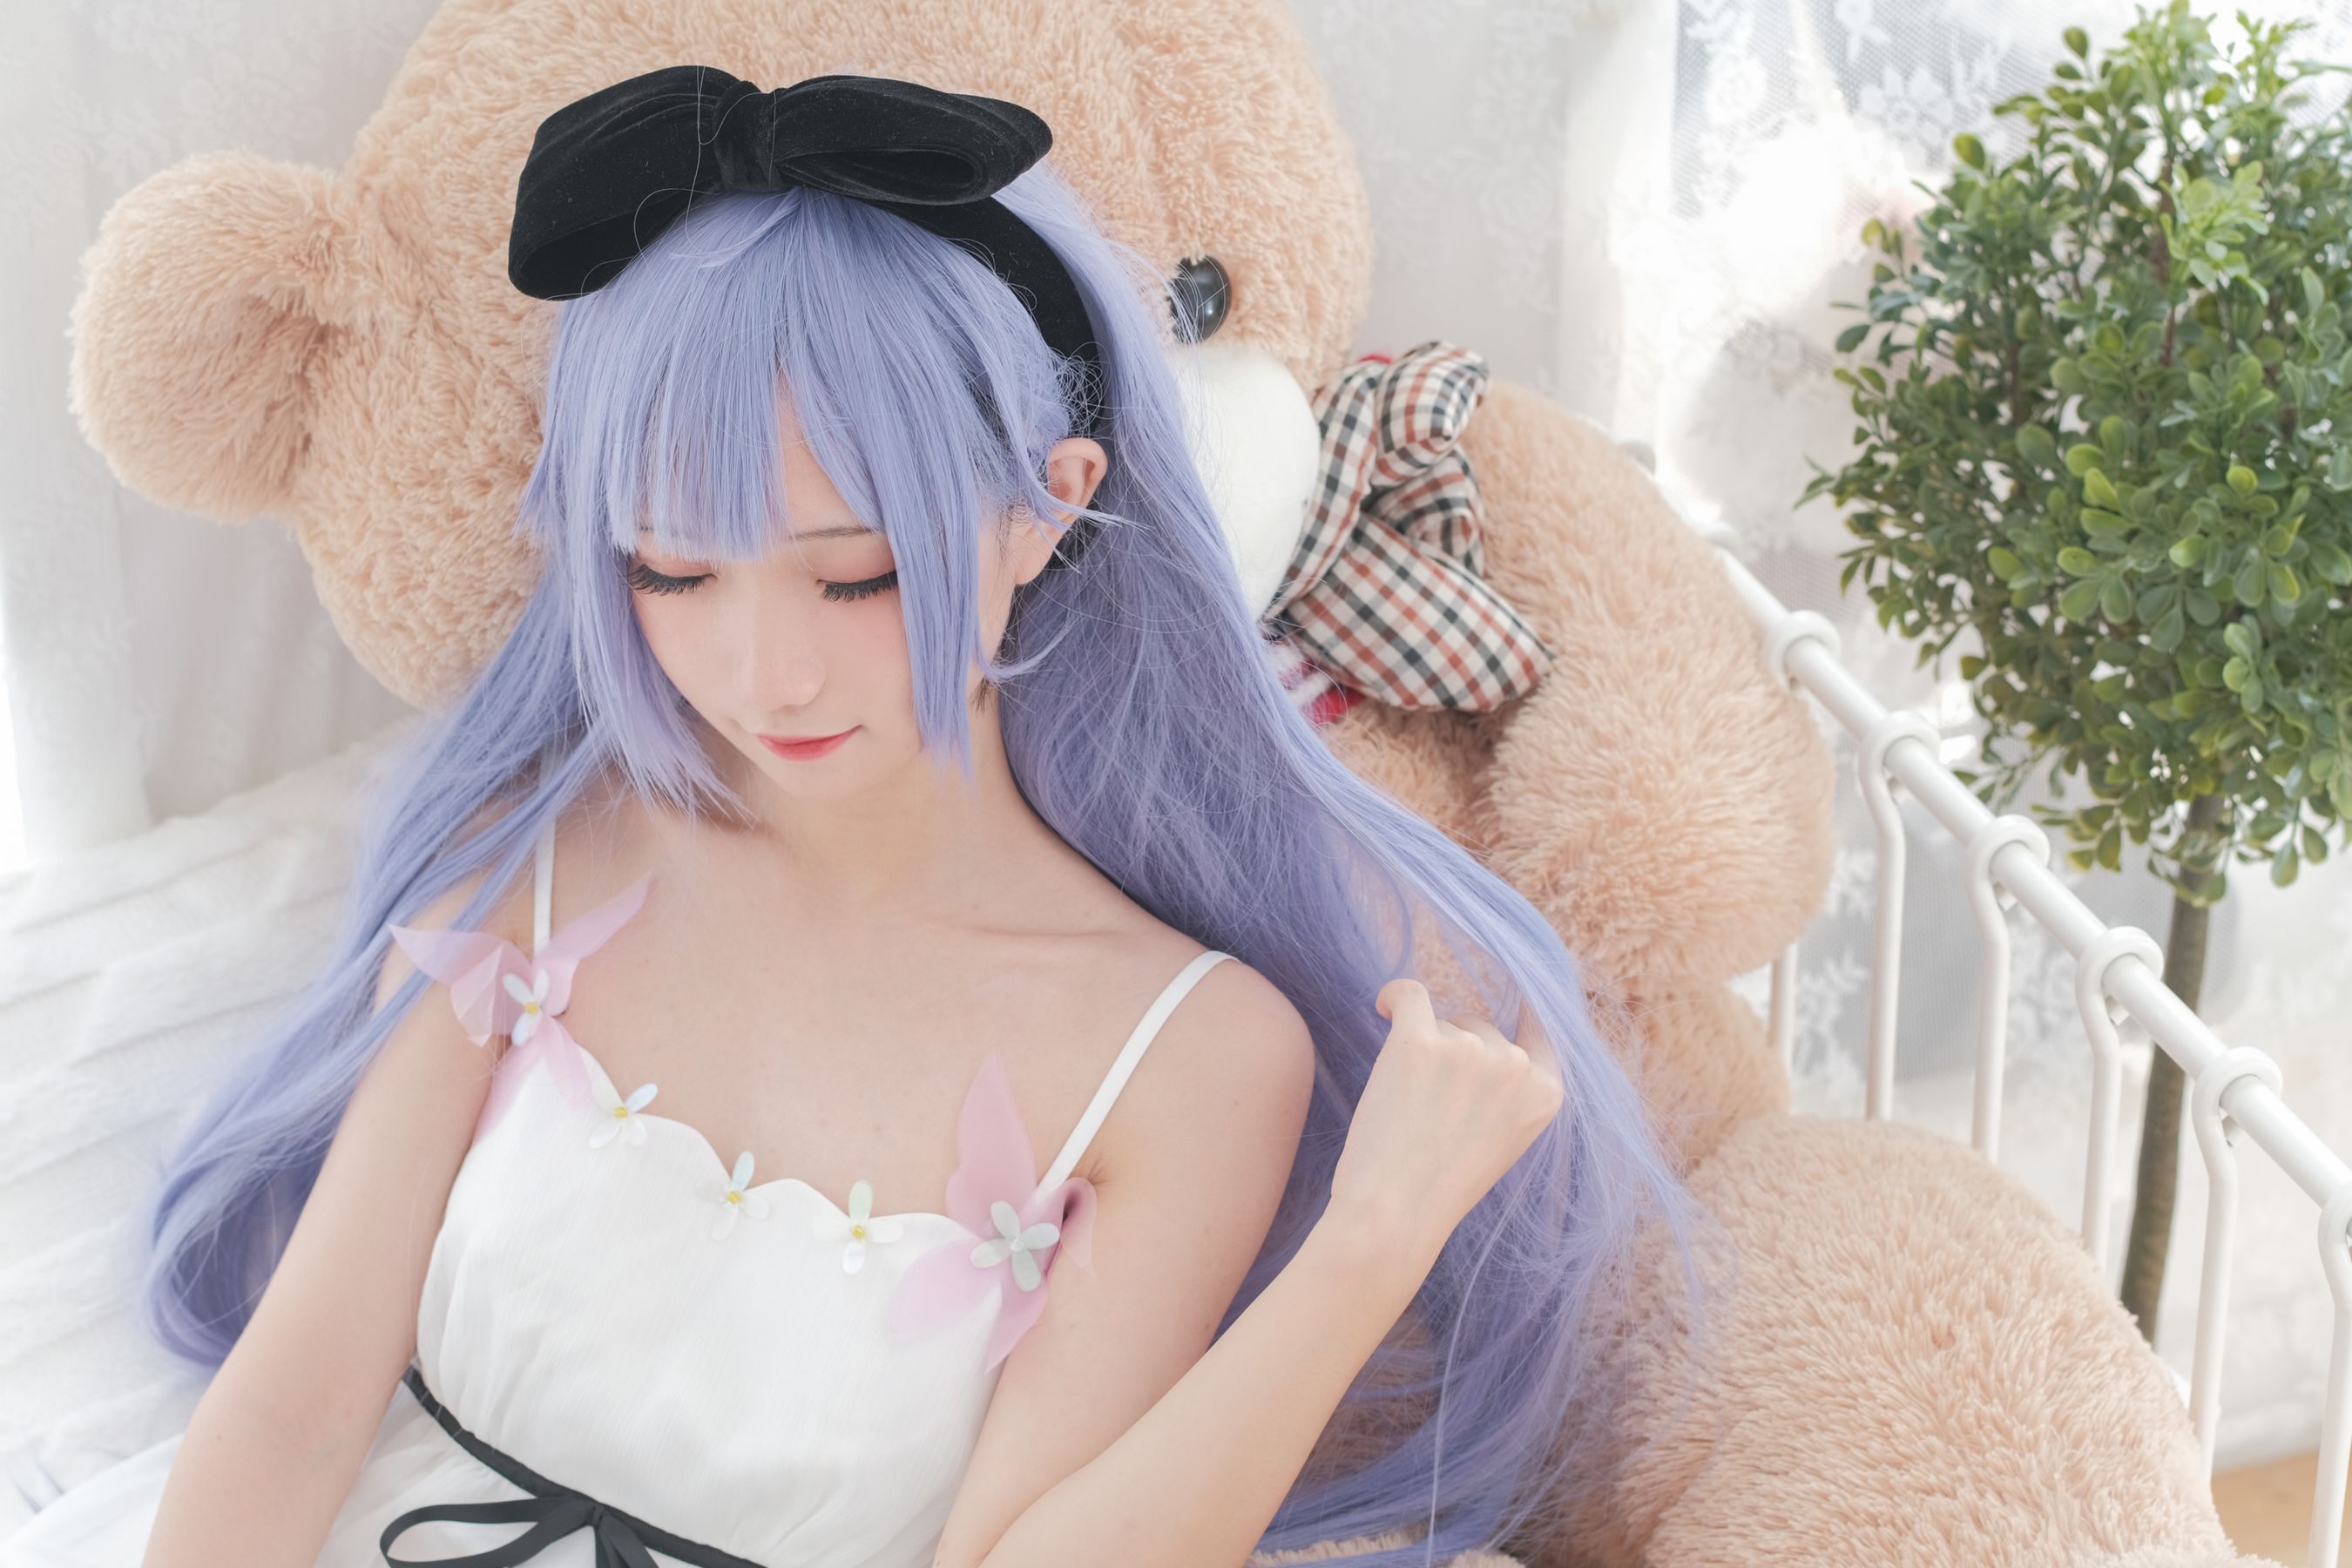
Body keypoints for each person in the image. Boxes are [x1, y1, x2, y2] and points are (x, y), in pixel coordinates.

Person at [0, 67, 1707, 1568]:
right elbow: (298, 1405)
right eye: (674, 570)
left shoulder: (1188, 1053)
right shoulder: (546, 856)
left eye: (858, 575)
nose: (765, 673)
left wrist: (1372, 1242)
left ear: (1052, 508)